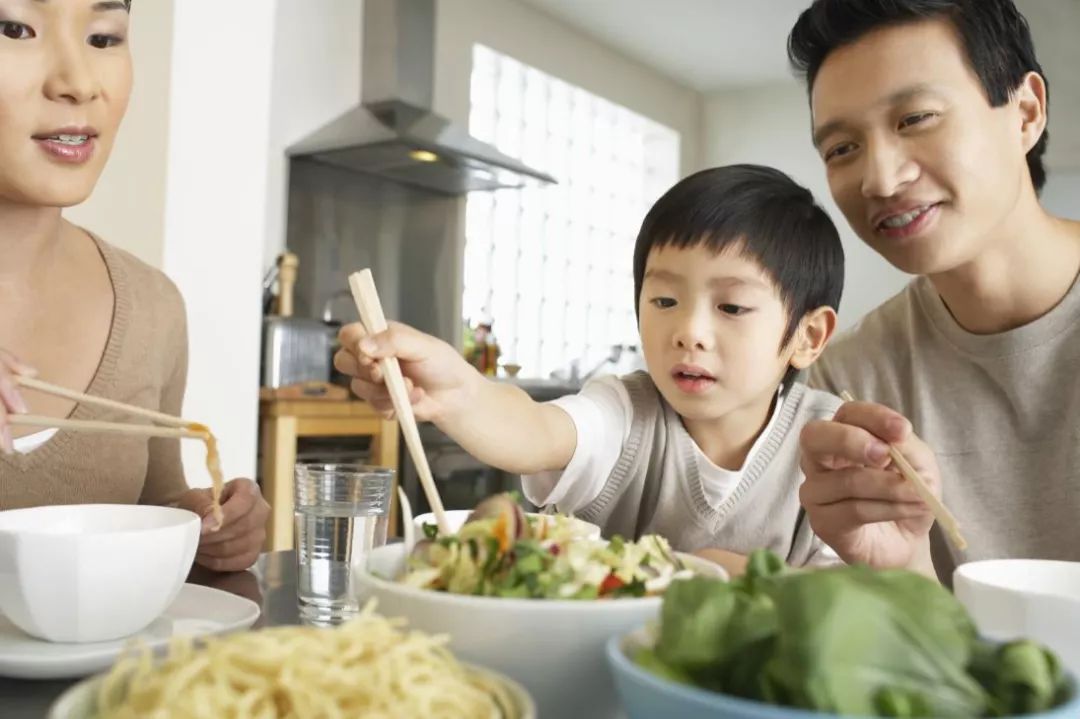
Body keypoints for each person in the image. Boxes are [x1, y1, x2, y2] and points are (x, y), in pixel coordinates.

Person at [336, 165, 846, 567]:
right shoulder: (624, 412)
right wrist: (457, 393)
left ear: (808, 336)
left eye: (731, 307)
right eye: (665, 301)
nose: (689, 331)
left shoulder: (832, 443)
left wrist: (744, 578)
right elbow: (535, 430)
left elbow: (853, 597)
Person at [788, 0, 1080, 580]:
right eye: (842, 149)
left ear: (1025, 113)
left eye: (916, 118)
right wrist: (904, 566)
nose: (880, 179)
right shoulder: (851, 384)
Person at [0, 0, 268, 572]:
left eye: (103, 38)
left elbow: (151, 505)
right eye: (14, 28)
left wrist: (200, 525)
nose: (78, 83)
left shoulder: (152, 306)